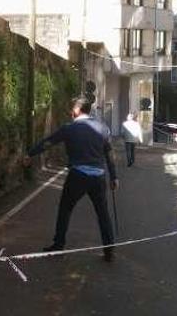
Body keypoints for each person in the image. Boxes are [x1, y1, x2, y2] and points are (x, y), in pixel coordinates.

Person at [26, 96, 118, 261]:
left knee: (65, 210)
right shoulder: (103, 128)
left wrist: (30, 154)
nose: (70, 112)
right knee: (103, 213)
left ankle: (59, 245)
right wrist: (114, 177)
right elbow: (109, 153)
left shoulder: (69, 128)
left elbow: (48, 143)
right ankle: (109, 249)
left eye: (72, 109)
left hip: (78, 176)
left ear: (76, 111)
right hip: (98, 176)